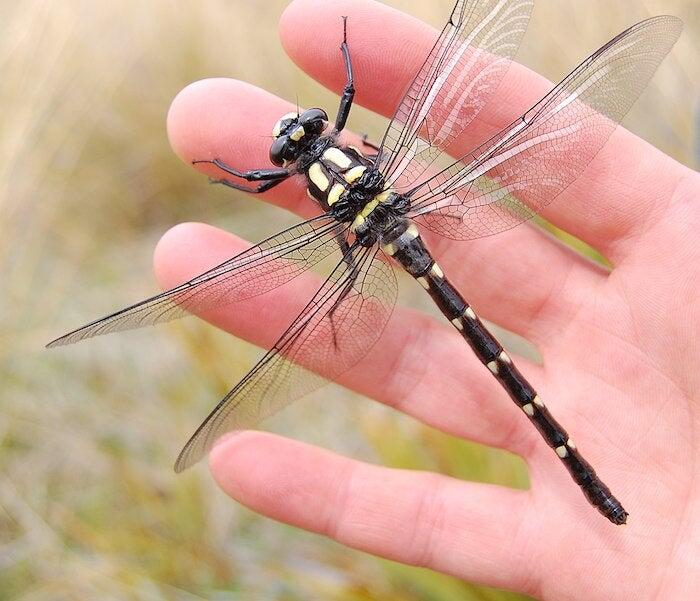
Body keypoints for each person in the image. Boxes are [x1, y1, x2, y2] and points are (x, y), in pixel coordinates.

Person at [156, 0, 700, 598]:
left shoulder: (318, 196)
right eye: (294, 144)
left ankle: (586, 476)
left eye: (300, 136)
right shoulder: (362, 152)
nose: (296, 138)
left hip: (378, 235)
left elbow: (264, 177)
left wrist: (227, 173)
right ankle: (587, 476)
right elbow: (351, 94)